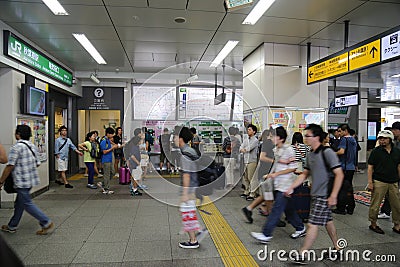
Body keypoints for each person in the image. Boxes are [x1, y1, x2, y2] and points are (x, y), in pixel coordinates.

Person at [285, 124, 344, 264]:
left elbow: (339, 174)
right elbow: (305, 174)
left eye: (308, 135)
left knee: (312, 224)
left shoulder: (327, 152)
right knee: (328, 221)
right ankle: (337, 249)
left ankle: (303, 254)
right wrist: (292, 187)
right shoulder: (311, 154)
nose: (305, 138)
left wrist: (334, 195)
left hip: (324, 195)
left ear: (317, 137)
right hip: (316, 194)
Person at [250, 126, 305, 243]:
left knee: (276, 209)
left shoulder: (288, 150)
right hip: (277, 184)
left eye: (273, 136)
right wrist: (270, 175)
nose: (271, 138)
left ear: (280, 138)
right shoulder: (277, 150)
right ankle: (300, 227)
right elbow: (276, 166)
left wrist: (276, 174)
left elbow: (293, 167)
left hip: (286, 185)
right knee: (289, 210)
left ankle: (266, 234)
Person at [0, 125, 54, 235]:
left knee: (27, 203)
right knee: (20, 204)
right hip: (30, 180)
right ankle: (12, 225)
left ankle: (46, 222)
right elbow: (37, 163)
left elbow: (9, 166)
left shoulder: (16, 148)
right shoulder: (32, 146)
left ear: (18, 134)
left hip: (21, 181)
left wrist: (1, 181)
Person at [367, 130, 400, 235]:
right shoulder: (376, 152)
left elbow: (398, 166)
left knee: (396, 204)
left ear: (390, 139)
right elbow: (370, 167)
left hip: (393, 181)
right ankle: (373, 223)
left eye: (384, 138)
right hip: (379, 181)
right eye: (380, 138)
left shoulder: (397, 151)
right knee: (375, 204)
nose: (382, 141)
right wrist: (370, 182)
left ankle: (397, 225)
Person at [176, 126, 204, 249]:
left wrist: (185, 194)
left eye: (175, 137)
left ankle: (193, 241)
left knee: (187, 212)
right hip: (195, 185)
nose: (174, 140)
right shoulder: (190, 150)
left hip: (190, 188)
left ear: (180, 139)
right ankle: (196, 232)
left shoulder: (185, 154)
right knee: (188, 212)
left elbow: (187, 175)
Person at [242, 128, 274, 223]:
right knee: (268, 194)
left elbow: (246, 149)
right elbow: (262, 157)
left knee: (267, 194)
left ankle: (251, 208)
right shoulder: (268, 143)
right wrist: (274, 161)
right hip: (266, 171)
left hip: (265, 170)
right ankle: (269, 214)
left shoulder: (263, 142)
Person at [333, 124, 357, 215]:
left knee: (342, 188)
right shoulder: (353, 139)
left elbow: (342, 151)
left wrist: (332, 153)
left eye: (340, 131)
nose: (339, 133)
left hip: (344, 167)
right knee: (349, 188)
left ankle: (341, 208)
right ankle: (351, 207)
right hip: (351, 167)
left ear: (345, 130)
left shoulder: (344, 139)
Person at [239, 124, 259, 201]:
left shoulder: (255, 140)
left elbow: (248, 149)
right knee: (246, 177)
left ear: (254, 131)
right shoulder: (246, 139)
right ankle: (247, 191)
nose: (248, 131)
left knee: (251, 178)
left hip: (252, 161)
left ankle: (253, 193)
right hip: (245, 160)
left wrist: (243, 149)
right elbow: (241, 147)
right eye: (248, 129)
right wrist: (242, 149)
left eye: (250, 130)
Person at [99, 127, 118, 194]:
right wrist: (112, 148)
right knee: (107, 174)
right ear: (108, 134)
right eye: (111, 134)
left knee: (112, 172)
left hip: (110, 159)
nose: (113, 135)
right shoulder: (104, 141)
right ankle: (106, 188)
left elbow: (114, 145)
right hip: (105, 160)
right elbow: (104, 152)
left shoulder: (108, 140)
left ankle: (103, 183)